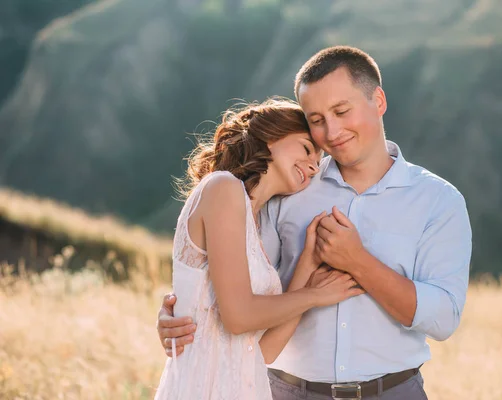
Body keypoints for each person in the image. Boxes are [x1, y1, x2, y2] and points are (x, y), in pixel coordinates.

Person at [157, 46, 472, 400]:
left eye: (341, 111)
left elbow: (443, 319)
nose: (332, 131)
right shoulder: (287, 187)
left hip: (394, 391)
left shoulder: (438, 201)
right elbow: (235, 291)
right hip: (283, 390)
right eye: (316, 120)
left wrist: (358, 262)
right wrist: (183, 315)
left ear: (379, 100)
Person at [153, 98, 365, 400]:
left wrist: (307, 264)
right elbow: (238, 317)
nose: (313, 166)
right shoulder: (223, 188)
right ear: (269, 135)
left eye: (317, 163)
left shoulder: (255, 224)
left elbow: (261, 353)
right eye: (306, 149)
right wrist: (316, 295)